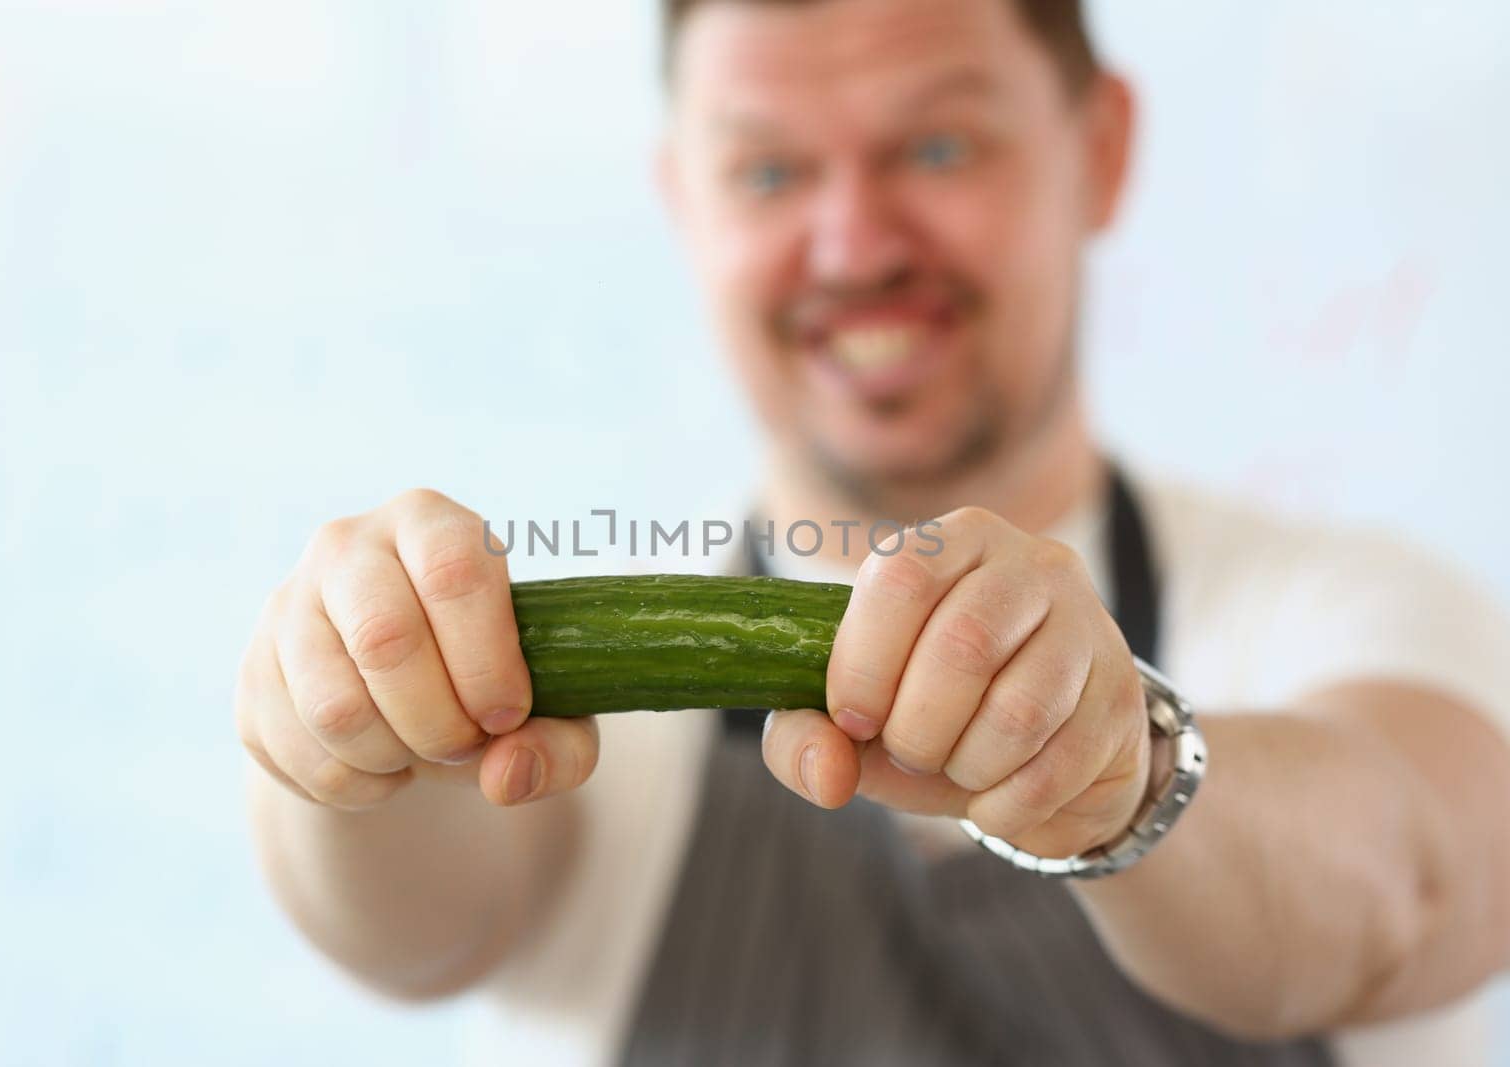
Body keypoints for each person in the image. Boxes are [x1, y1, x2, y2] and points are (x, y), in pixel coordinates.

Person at [232, 0, 1510, 1063]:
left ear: (1101, 150)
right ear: (687, 205)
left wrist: (1121, 773)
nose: (853, 242)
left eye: (941, 148)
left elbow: (1410, 887)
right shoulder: (590, 706)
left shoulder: (1358, 609)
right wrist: (330, 742)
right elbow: (415, 934)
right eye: (770, 172)